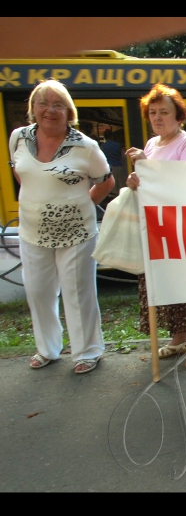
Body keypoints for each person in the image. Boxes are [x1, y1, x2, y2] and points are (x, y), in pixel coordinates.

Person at [8, 79, 115, 374]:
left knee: (78, 293)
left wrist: (82, 204)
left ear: (69, 112)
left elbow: (106, 181)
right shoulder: (18, 138)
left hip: (77, 233)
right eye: (42, 103)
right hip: (32, 231)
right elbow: (21, 173)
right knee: (38, 291)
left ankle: (87, 351)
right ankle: (47, 349)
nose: (49, 110)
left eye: (58, 105)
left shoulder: (85, 146)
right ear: (33, 109)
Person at [126, 84, 186, 369]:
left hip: (185, 225)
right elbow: (154, 186)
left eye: (164, 112)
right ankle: (179, 338)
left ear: (178, 116)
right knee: (166, 283)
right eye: (152, 112)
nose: (157, 118)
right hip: (159, 227)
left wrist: (147, 168)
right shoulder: (153, 145)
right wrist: (136, 180)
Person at [100, 128, 127, 197]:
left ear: (105, 137)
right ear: (112, 136)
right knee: (119, 186)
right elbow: (122, 156)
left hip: (109, 168)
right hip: (119, 167)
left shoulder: (103, 146)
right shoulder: (118, 145)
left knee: (112, 188)